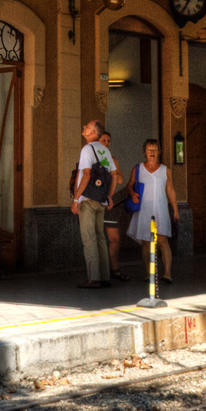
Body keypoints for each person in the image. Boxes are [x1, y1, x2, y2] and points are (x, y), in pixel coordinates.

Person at [71, 119, 116, 288]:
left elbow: (86, 175)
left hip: (88, 199)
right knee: (100, 238)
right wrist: (109, 197)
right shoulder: (104, 150)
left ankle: (93, 278)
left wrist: (76, 198)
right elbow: (113, 175)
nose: (84, 127)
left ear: (93, 133)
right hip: (101, 200)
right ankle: (105, 277)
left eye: (87, 127)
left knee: (89, 239)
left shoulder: (87, 149)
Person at [128, 139, 178, 285]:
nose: (152, 152)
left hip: (160, 209)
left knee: (162, 241)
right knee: (145, 242)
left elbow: (170, 190)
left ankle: (167, 273)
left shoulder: (165, 170)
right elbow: (129, 186)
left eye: (155, 150)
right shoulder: (137, 168)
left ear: (159, 152)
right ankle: (149, 272)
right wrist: (132, 194)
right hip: (144, 210)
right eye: (149, 150)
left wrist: (175, 209)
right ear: (144, 152)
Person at [99, 131, 129, 281]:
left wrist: (115, 172)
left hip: (110, 205)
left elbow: (121, 180)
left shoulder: (112, 160)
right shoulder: (91, 158)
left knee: (114, 238)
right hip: (96, 204)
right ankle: (99, 272)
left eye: (108, 141)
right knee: (98, 239)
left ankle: (114, 270)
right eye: (103, 140)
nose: (106, 143)